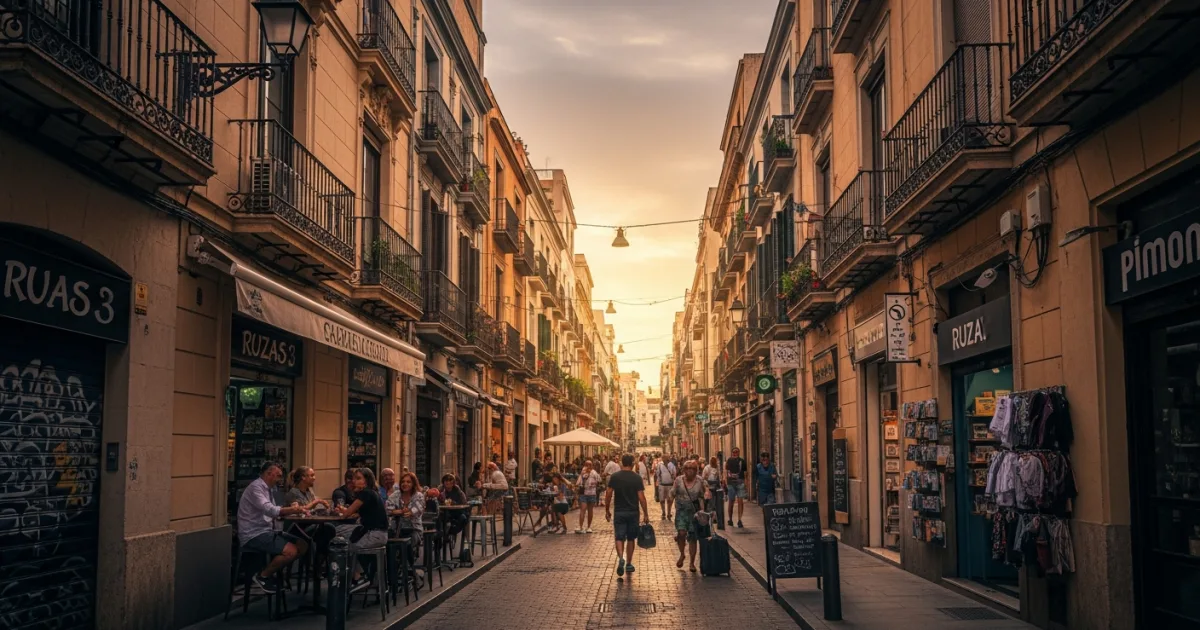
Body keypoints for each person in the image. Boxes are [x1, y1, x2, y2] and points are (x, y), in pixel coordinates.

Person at [237, 463, 310, 593]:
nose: (280, 480)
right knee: (291, 551)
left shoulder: (269, 489)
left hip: (268, 531)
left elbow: (274, 514)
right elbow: (269, 509)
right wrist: (290, 509)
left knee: (303, 545)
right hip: (254, 534)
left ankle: (274, 571)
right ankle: (263, 576)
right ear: (268, 474)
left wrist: (290, 511)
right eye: (278, 476)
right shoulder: (256, 488)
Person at [333, 468, 390, 585]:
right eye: (354, 478)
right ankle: (362, 573)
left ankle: (348, 579)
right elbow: (357, 512)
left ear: (367, 480)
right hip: (379, 534)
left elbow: (346, 514)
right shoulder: (372, 493)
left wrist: (341, 510)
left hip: (374, 535)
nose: (354, 481)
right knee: (341, 533)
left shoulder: (366, 493)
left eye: (358, 478)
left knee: (340, 543)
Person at [605, 454, 649, 577]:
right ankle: (629, 563)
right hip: (633, 512)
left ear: (622, 463)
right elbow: (641, 497)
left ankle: (620, 558)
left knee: (619, 537)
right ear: (632, 463)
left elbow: (608, 494)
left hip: (619, 511)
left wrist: (607, 509)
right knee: (631, 538)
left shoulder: (615, 477)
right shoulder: (636, 478)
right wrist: (645, 513)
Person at [671, 460, 710, 572]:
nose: (690, 471)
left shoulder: (700, 480)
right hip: (681, 511)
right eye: (687, 468)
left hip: (695, 513)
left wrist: (707, 492)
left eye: (692, 468)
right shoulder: (678, 480)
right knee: (681, 533)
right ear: (684, 470)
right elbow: (672, 492)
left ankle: (692, 563)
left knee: (693, 538)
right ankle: (682, 554)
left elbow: (706, 489)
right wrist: (669, 499)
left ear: (696, 470)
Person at [575, 460, 601, 534]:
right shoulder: (586, 472)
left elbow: (599, 480)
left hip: (590, 494)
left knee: (587, 510)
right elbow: (580, 481)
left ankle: (587, 527)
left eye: (589, 465)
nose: (589, 466)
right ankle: (583, 527)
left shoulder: (593, 472)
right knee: (585, 510)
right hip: (586, 494)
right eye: (587, 465)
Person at [725, 447, 747, 527]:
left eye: (736, 452)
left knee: (740, 501)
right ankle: (730, 519)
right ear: (732, 453)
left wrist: (746, 483)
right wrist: (725, 482)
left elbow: (745, 473)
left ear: (739, 453)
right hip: (731, 483)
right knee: (731, 501)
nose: (735, 453)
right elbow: (726, 472)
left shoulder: (742, 461)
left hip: (740, 482)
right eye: (734, 452)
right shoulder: (729, 460)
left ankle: (739, 520)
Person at [654, 455, 677, 520]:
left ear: (667, 458)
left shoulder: (671, 465)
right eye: (663, 458)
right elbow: (657, 474)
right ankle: (663, 512)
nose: (663, 459)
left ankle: (669, 513)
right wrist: (657, 483)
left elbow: (674, 474)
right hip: (662, 485)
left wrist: (673, 476)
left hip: (670, 485)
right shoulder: (660, 465)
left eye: (665, 458)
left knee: (670, 500)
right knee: (662, 500)